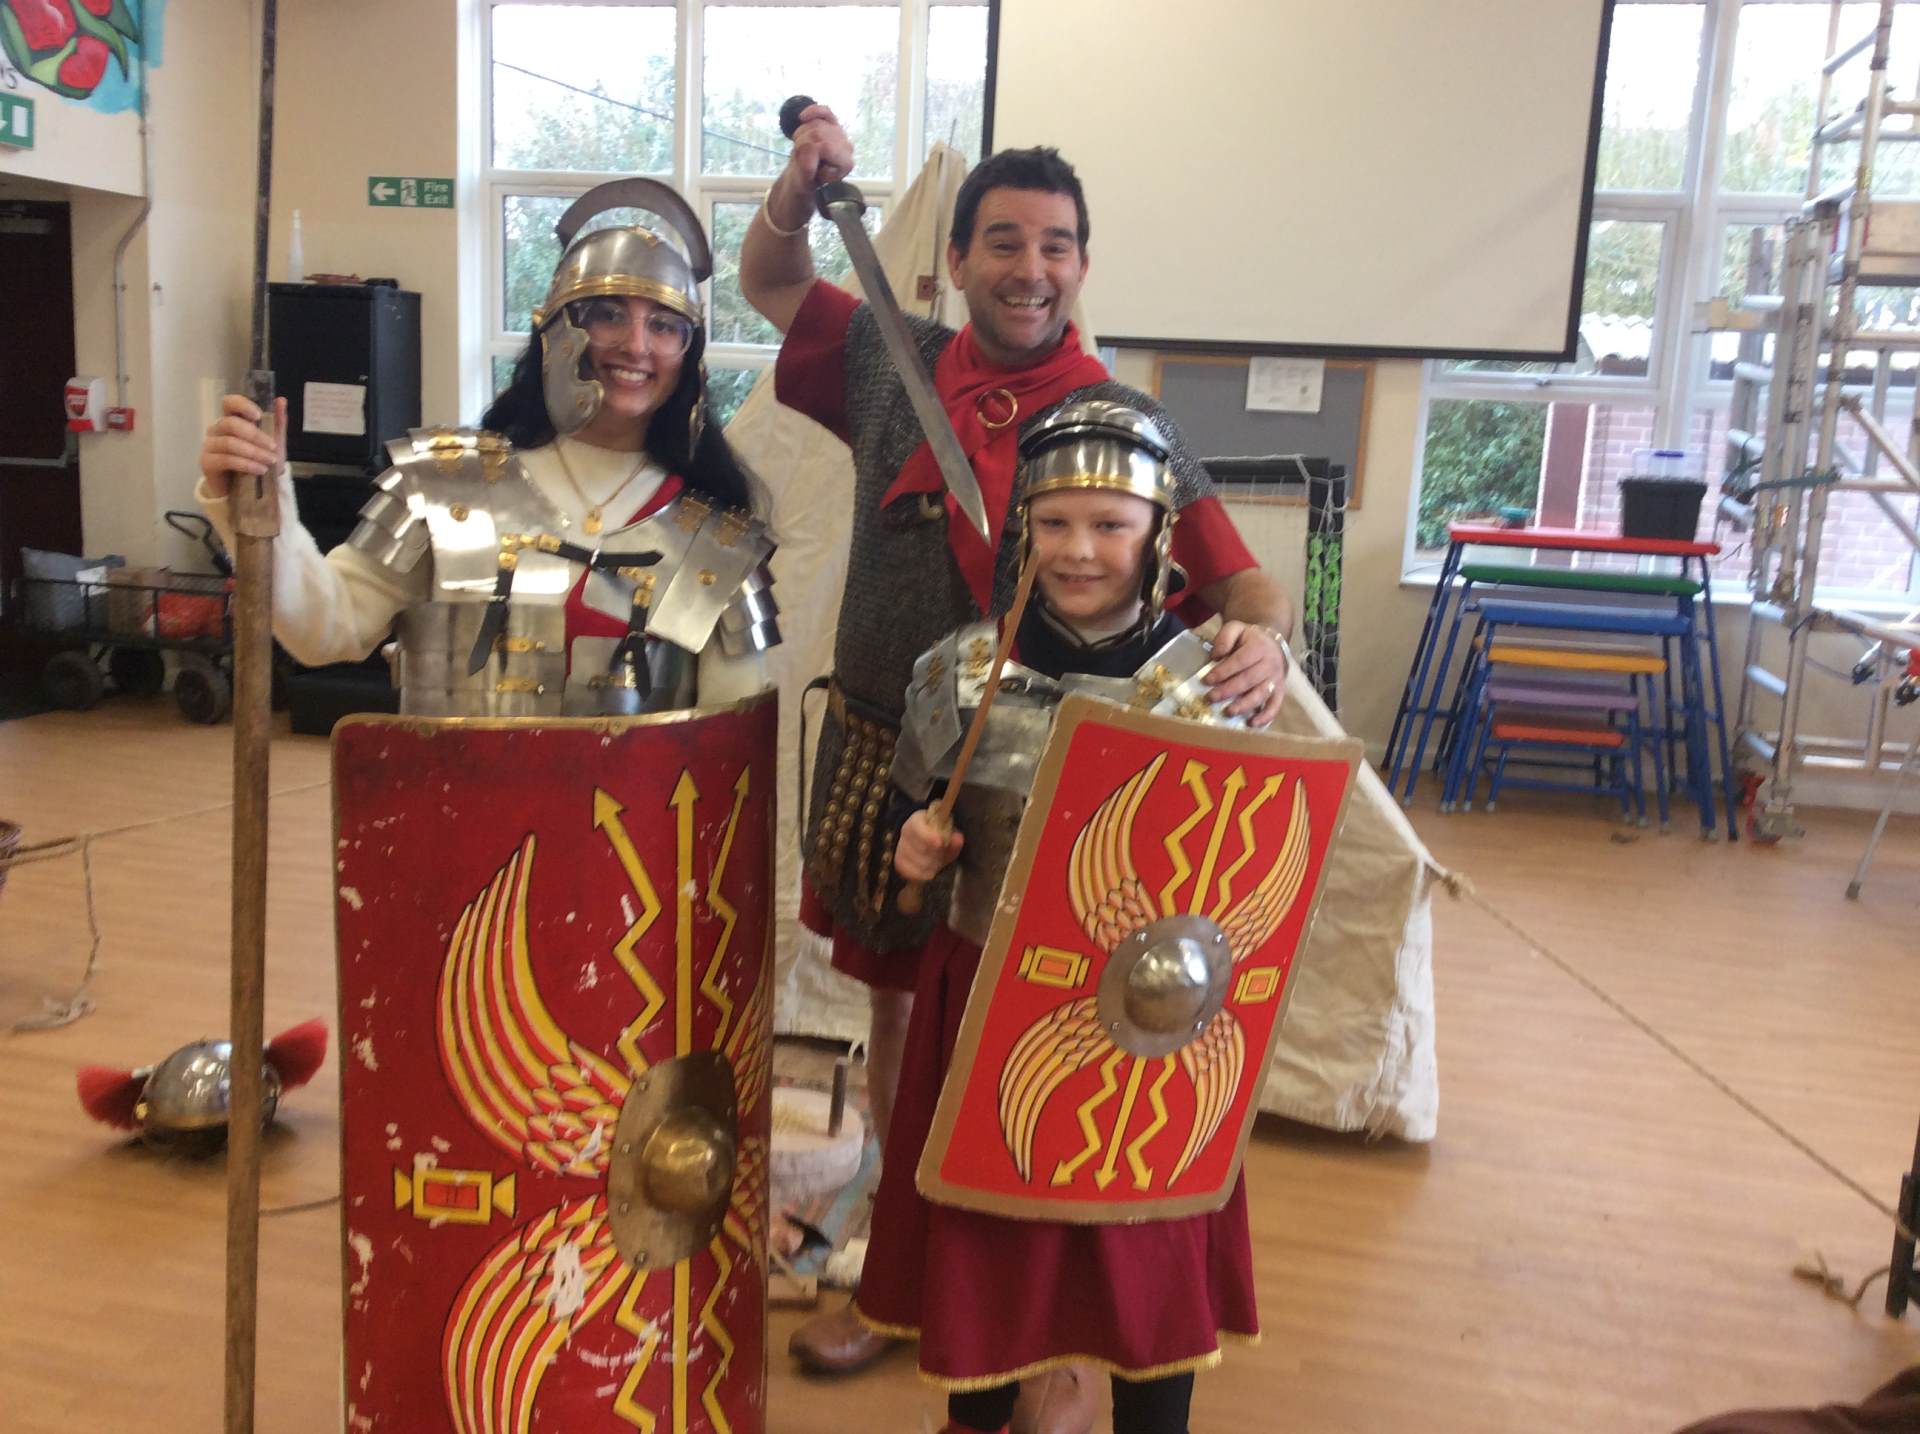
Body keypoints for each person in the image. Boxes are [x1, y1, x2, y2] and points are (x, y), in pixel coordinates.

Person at [739, 107, 1291, 1414]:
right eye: (1002, 241)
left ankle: (1052, 1327)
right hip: (892, 746)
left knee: (1064, 1030)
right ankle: (900, 1274)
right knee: (901, 1020)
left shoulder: (1126, 420)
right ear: (957, 259)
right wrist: (798, 187)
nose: (1028, 268)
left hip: (1063, 778)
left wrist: (1268, 640)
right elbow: (769, 279)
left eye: (1054, 245)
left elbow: (1242, 579)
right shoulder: (891, 359)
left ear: (1082, 265)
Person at [867, 400, 1263, 1434]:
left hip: (1156, 1025)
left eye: (1110, 524)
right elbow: (906, 826)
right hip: (987, 995)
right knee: (988, 1243)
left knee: (1144, 1253)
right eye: (1054, 523)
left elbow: (1251, 862)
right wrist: (911, 846)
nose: (1079, 550)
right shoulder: (960, 672)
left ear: (1158, 532)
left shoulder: (1212, 684)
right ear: (1023, 530)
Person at [198, 179, 778, 711]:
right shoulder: (444, 486)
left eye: (665, 326)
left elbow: (728, 745)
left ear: (688, 355)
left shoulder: (717, 538)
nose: (636, 345)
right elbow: (324, 631)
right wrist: (261, 508)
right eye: (608, 314)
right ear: (558, 329)